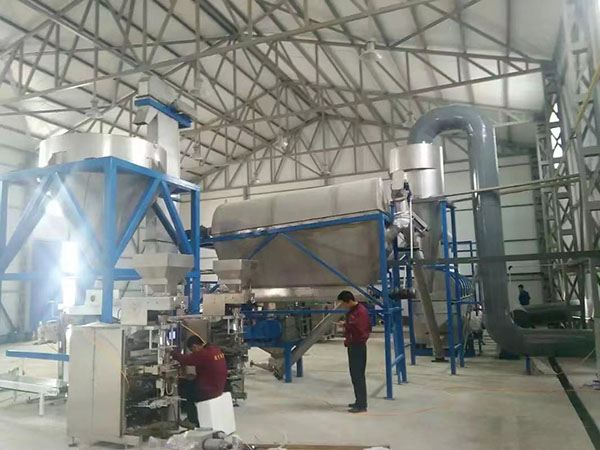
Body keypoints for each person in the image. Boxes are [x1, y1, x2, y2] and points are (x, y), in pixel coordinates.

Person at [171, 335, 228, 428]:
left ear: (195, 346)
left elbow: (186, 359)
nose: (193, 353)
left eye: (192, 350)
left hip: (209, 390)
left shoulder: (203, 354)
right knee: (189, 384)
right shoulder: (216, 350)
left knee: (186, 392)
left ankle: (192, 421)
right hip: (219, 386)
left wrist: (172, 353)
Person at [337, 290, 371, 413]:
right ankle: (359, 401)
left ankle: (362, 405)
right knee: (355, 375)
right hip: (353, 345)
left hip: (358, 346)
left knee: (358, 376)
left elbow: (360, 330)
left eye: (343, 303)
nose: (343, 306)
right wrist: (346, 324)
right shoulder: (353, 311)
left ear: (349, 301)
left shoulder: (360, 312)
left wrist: (346, 325)